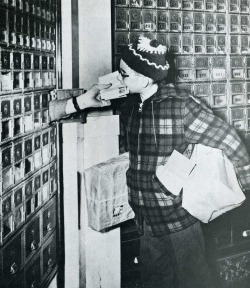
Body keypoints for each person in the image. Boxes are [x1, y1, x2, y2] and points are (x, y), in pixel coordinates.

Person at [49, 35, 250, 288]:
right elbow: (59, 109)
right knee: (154, 280)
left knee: (196, 280)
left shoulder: (180, 105)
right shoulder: (131, 103)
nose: (116, 77)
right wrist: (81, 101)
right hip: (144, 216)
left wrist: (243, 183)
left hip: (179, 217)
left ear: (144, 78)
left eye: (123, 73)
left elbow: (228, 139)